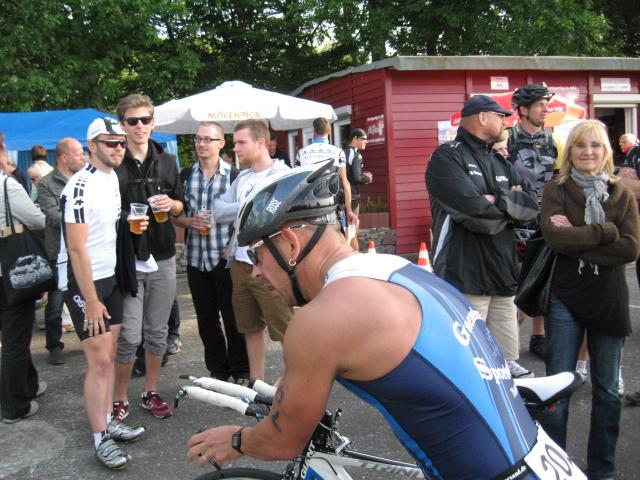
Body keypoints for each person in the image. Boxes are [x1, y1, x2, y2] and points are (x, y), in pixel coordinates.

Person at [186, 162, 580, 479]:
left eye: (257, 255)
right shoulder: (395, 270)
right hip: (540, 460)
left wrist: (236, 441)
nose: (255, 272)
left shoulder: (322, 320)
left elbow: (282, 441)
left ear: (290, 244)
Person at [539, 119, 640, 480]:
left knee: (608, 391)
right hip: (565, 296)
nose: (588, 152)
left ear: (606, 151)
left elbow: (629, 248)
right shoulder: (556, 189)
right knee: (557, 388)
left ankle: (602, 470)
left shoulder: (621, 193)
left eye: (595, 145)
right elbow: (555, 240)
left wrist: (579, 239)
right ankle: (554, 469)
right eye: (580, 145)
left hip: (609, 298)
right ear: (570, 152)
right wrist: (606, 232)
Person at [426, 95, 538, 379]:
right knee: (467, 364)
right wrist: (508, 205)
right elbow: (476, 215)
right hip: (464, 274)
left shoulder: (499, 161)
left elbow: (530, 207)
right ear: (482, 117)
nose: (506, 122)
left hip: (502, 274)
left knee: (507, 361)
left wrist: (494, 199)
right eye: (500, 116)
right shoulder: (447, 157)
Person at [58, 117, 145, 468]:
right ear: (92, 146)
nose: (119, 147)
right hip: (84, 282)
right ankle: (100, 438)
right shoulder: (79, 186)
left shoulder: (112, 179)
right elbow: (76, 248)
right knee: (101, 362)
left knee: (110, 355)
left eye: (121, 142)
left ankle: (108, 420)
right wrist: (91, 300)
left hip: (110, 277)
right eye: (111, 142)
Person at [112, 94, 183, 421]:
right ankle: (118, 397)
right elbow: (105, 209)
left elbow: (181, 205)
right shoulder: (115, 161)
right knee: (129, 336)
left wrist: (172, 204)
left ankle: (150, 391)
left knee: (157, 332)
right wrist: (126, 217)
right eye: (132, 121)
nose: (139, 126)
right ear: (123, 125)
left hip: (163, 256)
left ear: (153, 123)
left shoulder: (167, 160)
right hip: (128, 258)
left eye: (145, 120)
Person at [213, 119, 293, 380]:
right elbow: (218, 211)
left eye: (240, 142)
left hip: (270, 265)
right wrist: (249, 203)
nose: (235, 148)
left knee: (285, 329)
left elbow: (272, 215)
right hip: (239, 264)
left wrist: (242, 207)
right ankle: (257, 384)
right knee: (249, 327)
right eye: (234, 143)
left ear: (260, 143)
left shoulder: (282, 175)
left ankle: (293, 384)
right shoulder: (243, 177)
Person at [172, 122, 249, 381]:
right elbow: (176, 215)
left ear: (221, 143)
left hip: (225, 258)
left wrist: (232, 246)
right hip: (196, 257)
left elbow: (245, 216)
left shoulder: (235, 176)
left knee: (233, 316)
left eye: (208, 139)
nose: (202, 144)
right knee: (206, 320)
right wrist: (188, 222)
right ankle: (218, 370)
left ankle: (241, 369)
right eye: (198, 139)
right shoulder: (185, 176)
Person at [508, 83, 564, 361]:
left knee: (543, 279)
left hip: (546, 221)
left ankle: (538, 337)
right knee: (515, 284)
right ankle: (506, 347)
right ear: (522, 109)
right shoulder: (507, 141)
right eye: (540, 105)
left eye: (546, 104)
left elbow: (560, 179)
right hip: (515, 221)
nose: (545, 109)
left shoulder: (554, 140)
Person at [0, 137, 47, 424]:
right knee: (15, 339)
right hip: (11, 271)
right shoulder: (7, 186)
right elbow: (38, 220)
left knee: (11, 336)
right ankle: (14, 404)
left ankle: (28, 384)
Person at [37, 137, 86, 365]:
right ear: (64, 158)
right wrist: (82, 220)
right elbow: (53, 216)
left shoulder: (85, 179)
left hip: (84, 248)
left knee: (87, 297)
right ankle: (54, 346)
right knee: (56, 301)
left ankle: (90, 339)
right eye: (78, 153)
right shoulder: (46, 183)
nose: (83, 157)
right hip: (59, 252)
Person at [296, 117, 357, 227]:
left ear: (314, 132)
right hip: (331, 204)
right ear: (329, 131)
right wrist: (349, 211)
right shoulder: (338, 152)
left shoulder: (301, 153)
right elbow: (345, 182)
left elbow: (297, 182)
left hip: (307, 205)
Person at [343, 128, 373, 249]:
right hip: (352, 197)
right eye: (363, 139)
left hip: (338, 196)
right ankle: (354, 255)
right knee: (352, 231)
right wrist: (367, 178)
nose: (366, 141)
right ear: (355, 139)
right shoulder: (356, 155)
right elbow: (356, 178)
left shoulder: (341, 152)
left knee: (343, 231)